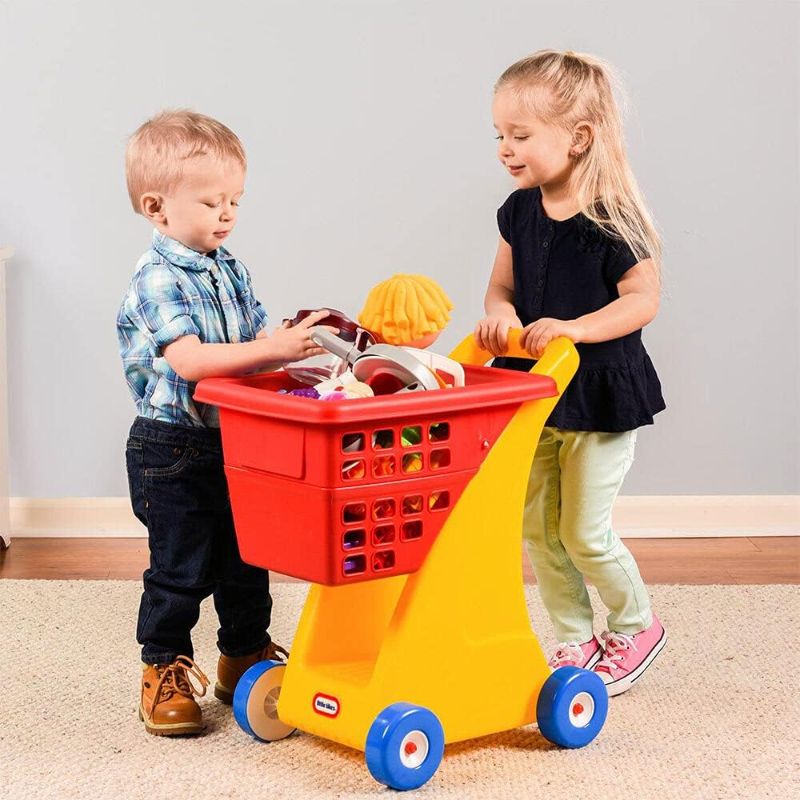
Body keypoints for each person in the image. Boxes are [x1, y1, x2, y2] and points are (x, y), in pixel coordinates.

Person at [117, 110, 329, 734]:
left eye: (234, 199)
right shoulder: (156, 276)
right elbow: (191, 362)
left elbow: (255, 331)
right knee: (179, 566)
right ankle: (164, 665)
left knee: (247, 556)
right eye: (212, 201)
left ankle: (245, 653)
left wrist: (291, 341)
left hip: (239, 436)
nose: (227, 212)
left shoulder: (228, 264)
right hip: (172, 447)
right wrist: (272, 352)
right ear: (157, 206)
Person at [475, 51, 667, 696]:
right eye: (499, 134)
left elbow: (643, 300)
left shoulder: (614, 217)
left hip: (600, 394)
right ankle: (575, 638)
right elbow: (499, 288)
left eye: (520, 135)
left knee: (583, 531)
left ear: (579, 138)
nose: (505, 148)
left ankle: (637, 625)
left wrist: (575, 329)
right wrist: (499, 317)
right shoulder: (518, 211)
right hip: (533, 395)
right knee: (537, 527)